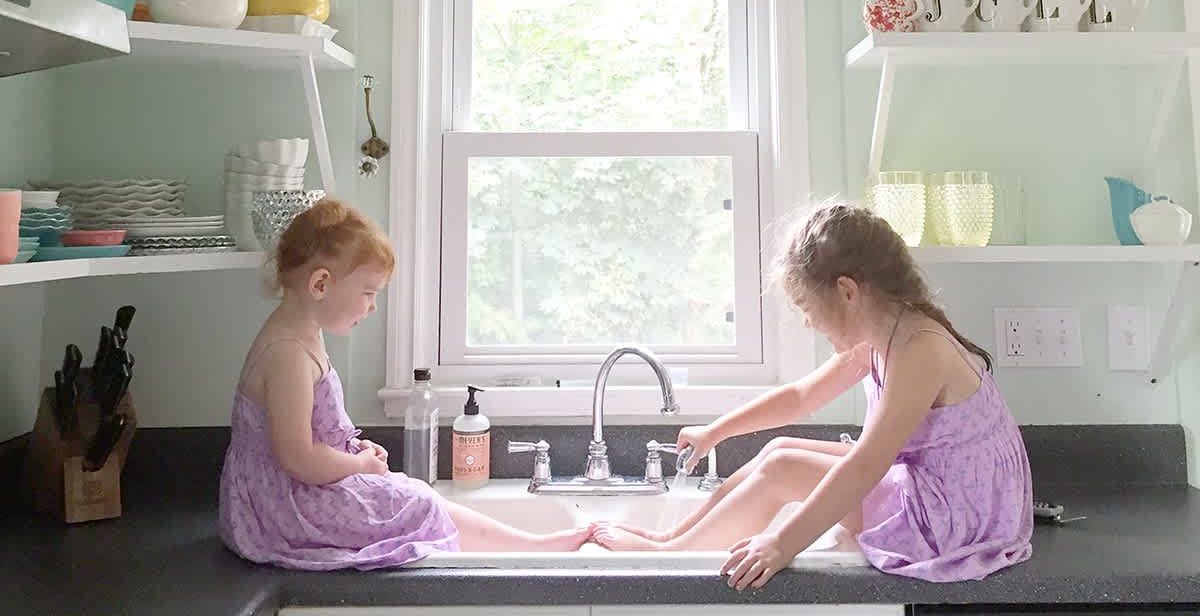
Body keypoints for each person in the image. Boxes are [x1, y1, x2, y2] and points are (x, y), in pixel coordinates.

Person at [594, 201, 1032, 589]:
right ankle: (673, 539)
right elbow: (801, 397)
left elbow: (865, 465)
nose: (807, 323)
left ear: (847, 292)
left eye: (808, 309)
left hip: (954, 518)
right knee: (779, 448)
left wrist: (781, 546)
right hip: (936, 489)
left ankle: (671, 557)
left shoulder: (919, 348)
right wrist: (716, 432)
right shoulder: (882, 332)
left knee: (785, 467)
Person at [219, 197, 593, 569]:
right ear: (320, 284)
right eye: (368, 293)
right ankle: (528, 547)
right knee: (416, 503)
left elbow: (310, 439)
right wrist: (359, 466)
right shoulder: (288, 354)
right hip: (283, 510)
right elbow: (298, 459)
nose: (373, 307)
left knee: (412, 493)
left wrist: (352, 453)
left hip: (293, 493)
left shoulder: (303, 334)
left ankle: (528, 544)